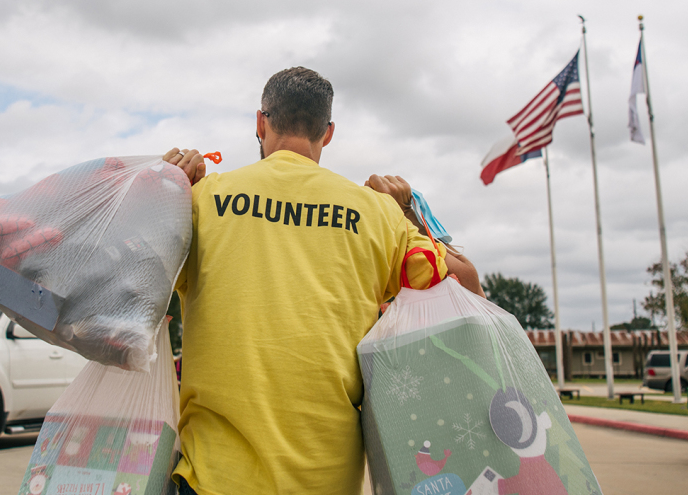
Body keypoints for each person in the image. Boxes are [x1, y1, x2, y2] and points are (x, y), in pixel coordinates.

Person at [164, 67, 483, 495]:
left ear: (260, 122)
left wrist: (161, 191)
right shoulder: (377, 214)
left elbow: (112, 282)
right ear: (328, 132)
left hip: (213, 480)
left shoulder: (201, 200)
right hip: (326, 481)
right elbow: (468, 286)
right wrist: (408, 212)